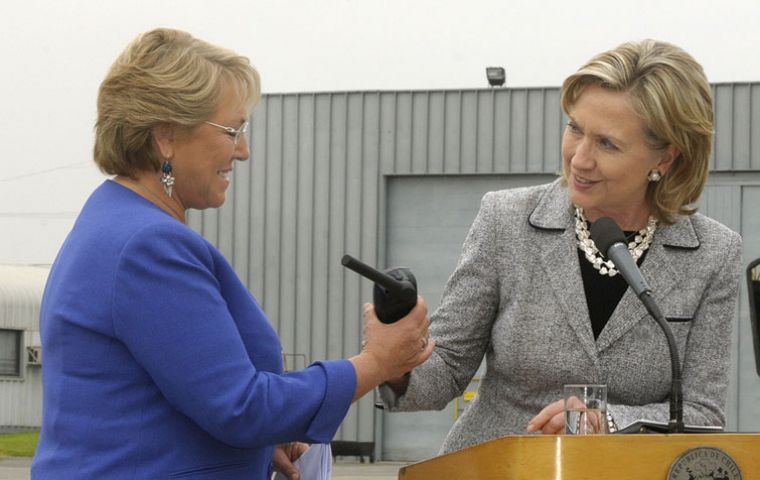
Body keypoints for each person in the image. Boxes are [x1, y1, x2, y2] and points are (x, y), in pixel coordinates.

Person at [31, 28, 434, 480]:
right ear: (165, 137)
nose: (242, 151)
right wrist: (376, 362)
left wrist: (261, 446)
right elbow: (240, 406)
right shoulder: (148, 245)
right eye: (232, 130)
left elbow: (180, 400)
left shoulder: (115, 224)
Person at [379, 39, 743, 454]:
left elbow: (701, 414)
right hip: (495, 467)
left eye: (607, 143)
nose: (579, 159)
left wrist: (607, 421)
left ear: (665, 158)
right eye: (575, 128)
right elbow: (445, 370)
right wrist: (394, 362)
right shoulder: (505, 219)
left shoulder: (713, 252)